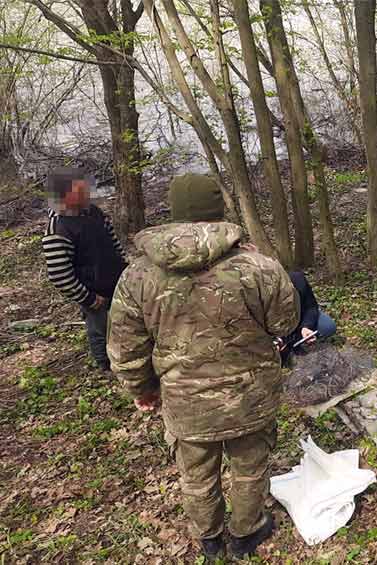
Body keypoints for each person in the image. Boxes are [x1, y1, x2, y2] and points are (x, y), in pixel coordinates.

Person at [106, 173, 300, 561]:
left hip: (185, 401)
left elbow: (125, 348)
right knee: (249, 468)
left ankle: (210, 540)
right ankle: (247, 532)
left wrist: (141, 389)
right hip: (250, 396)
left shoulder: (137, 275)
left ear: (175, 214)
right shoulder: (258, 266)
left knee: (196, 476)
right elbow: (286, 322)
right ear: (218, 209)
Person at [42, 167, 127, 372]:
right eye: (80, 191)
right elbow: (59, 275)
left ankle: (125, 357)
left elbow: (113, 243)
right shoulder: (57, 230)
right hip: (94, 292)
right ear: (64, 195)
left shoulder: (94, 212)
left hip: (117, 281)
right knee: (100, 330)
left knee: (125, 324)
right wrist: (88, 298)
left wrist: (125, 268)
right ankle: (105, 366)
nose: (87, 194)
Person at [281, 271, 337, 356]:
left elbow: (311, 307)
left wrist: (306, 326)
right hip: (277, 327)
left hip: (300, 316)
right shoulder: (262, 295)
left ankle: (298, 338)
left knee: (328, 327)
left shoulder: (298, 280)